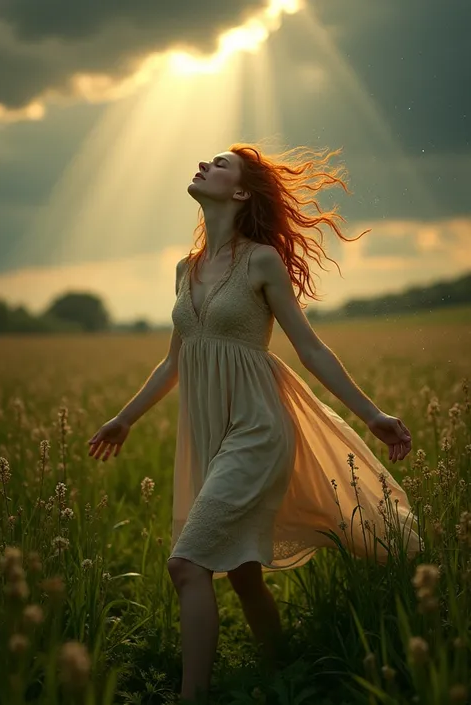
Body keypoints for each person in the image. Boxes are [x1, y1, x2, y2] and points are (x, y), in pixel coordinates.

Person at [88, 143, 420, 704]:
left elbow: (309, 349)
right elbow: (174, 360)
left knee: (186, 565)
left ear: (240, 192)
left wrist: (372, 415)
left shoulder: (261, 260)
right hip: (210, 432)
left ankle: (191, 697)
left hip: (257, 429)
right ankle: (280, 672)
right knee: (241, 571)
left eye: (219, 164)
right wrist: (124, 418)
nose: (203, 164)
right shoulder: (184, 269)